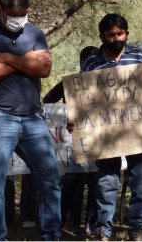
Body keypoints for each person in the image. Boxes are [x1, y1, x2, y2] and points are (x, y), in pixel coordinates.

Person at [0, 0, 61, 240]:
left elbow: (44, 69)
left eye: (24, 14)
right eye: (13, 14)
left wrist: (6, 57)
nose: (19, 19)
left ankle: (51, 235)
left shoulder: (35, 32)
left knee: (50, 180)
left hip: (33, 117)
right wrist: (24, 59)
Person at [80, 13, 142, 241]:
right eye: (110, 35)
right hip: (105, 134)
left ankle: (137, 227)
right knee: (106, 181)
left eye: (120, 33)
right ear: (102, 36)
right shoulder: (91, 62)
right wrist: (77, 120)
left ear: (126, 33)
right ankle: (104, 229)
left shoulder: (139, 55)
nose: (115, 38)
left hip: (137, 131)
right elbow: (82, 98)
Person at [43, 45, 99, 235]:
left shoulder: (102, 83)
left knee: (93, 181)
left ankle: (89, 223)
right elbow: (48, 100)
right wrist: (62, 117)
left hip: (97, 140)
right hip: (74, 140)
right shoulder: (70, 83)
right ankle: (63, 222)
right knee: (73, 182)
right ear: (82, 63)